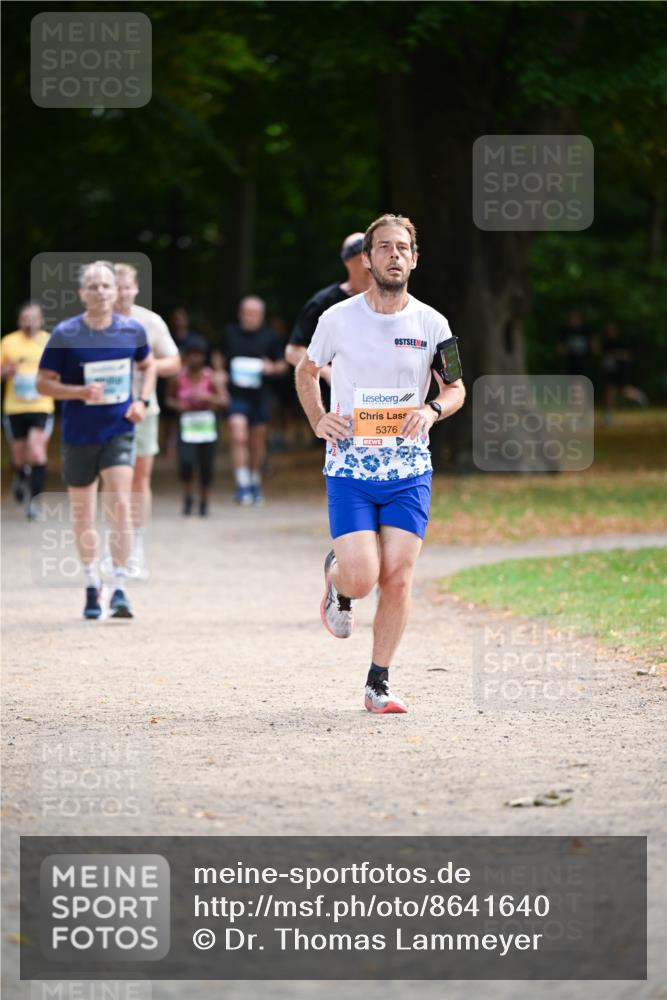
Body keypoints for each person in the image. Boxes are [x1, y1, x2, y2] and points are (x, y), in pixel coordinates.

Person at [295, 214, 466, 714]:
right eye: (384, 248)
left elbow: (455, 388)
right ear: (366, 259)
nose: (394, 255)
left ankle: (378, 683)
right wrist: (318, 419)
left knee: (398, 577)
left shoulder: (434, 324)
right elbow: (306, 372)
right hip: (351, 469)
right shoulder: (338, 319)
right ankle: (337, 581)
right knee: (363, 576)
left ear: (414, 258)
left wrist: (432, 409)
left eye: (403, 248)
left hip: (409, 469)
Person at [36, 261, 155, 620]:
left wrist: (142, 401)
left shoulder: (132, 330)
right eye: (94, 286)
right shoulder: (65, 333)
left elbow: (148, 366)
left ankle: (119, 587)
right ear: (82, 294)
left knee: (119, 502)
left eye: (107, 285)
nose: (102, 292)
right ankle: (92, 583)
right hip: (78, 434)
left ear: (116, 291)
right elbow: (43, 382)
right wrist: (78, 391)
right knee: (83, 512)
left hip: (118, 429)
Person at [114, 263, 181, 577]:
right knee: (112, 480)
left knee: (140, 478)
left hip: (144, 409)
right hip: (106, 410)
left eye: (127, 287)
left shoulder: (150, 321)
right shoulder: (97, 323)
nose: (122, 293)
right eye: (116, 287)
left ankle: (137, 548)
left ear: (136, 288)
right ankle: (116, 546)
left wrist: (147, 363)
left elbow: (174, 361)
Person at [213, 296, 287, 506]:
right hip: (236, 394)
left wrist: (270, 368)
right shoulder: (230, 332)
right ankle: (242, 483)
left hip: (260, 395)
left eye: (254, 313)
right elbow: (218, 355)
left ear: (261, 316)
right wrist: (219, 374)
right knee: (238, 434)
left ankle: (255, 480)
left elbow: (283, 364)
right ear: (240, 313)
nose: (249, 317)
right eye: (246, 312)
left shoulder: (270, 336)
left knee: (257, 439)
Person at [285, 232, 371, 405]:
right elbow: (293, 351)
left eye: (372, 252)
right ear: (347, 260)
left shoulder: (391, 301)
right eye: (361, 254)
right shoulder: (324, 303)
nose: (368, 260)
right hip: (335, 402)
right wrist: (327, 372)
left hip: (381, 399)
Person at [1, 302, 54, 518]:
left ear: (41, 320)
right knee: (20, 456)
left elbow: (62, 372)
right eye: (25, 318)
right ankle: (20, 475)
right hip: (14, 407)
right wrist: (6, 371)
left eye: (33, 318)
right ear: (19, 320)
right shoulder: (8, 342)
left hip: (41, 406)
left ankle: (35, 501)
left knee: (37, 451)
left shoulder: (49, 341)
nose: (29, 322)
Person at [166, 335, 228, 516]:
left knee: (206, 465)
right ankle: (187, 497)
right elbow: (169, 399)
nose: (196, 358)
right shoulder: (178, 377)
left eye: (199, 355)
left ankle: (204, 501)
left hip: (207, 426)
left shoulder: (211, 377)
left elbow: (225, 400)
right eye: (192, 354)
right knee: (186, 463)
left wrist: (208, 398)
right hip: (186, 426)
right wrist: (179, 405)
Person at [601, 321, 648, 425]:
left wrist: (617, 355)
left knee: (625, 392)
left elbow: (628, 356)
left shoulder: (621, 342)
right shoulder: (605, 343)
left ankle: (639, 396)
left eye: (612, 330)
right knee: (610, 392)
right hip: (611, 372)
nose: (610, 332)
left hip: (622, 371)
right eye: (608, 330)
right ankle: (608, 416)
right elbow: (605, 358)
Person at [557, 309, 596, 381]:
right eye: (572, 318)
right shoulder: (565, 331)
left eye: (576, 318)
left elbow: (594, 347)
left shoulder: (586, 330)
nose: (574, 320)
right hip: (570, 364)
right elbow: (560, 348)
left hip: (584, 364)